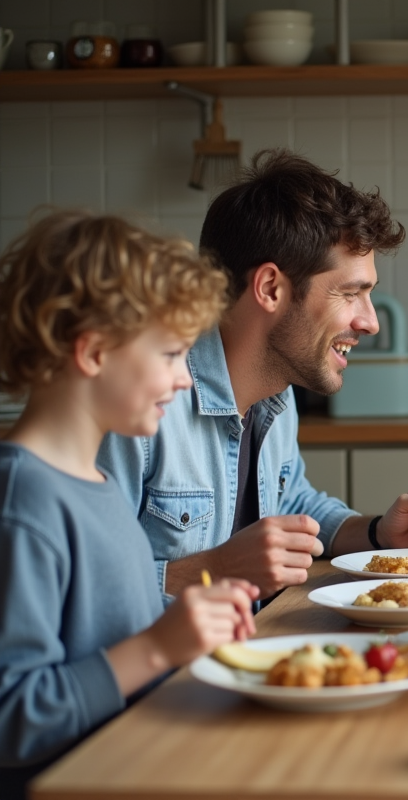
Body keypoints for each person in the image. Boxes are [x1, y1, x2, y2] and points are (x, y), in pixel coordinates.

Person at [97, 150, 408, 601]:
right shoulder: (142, 405)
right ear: (270, 288)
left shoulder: (276, 392)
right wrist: (215, 570)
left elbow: (292, 503)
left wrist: (379, 533)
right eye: (350, 293)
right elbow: (80, 590)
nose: (370, 322)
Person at [0, 211, 258, 793]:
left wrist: (189, 624)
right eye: (170, 355)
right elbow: (13, 717)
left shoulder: (100, 487)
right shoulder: (24, 505)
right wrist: (158, 647)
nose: (187, 379)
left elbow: (111, 645)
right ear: (92, 352)